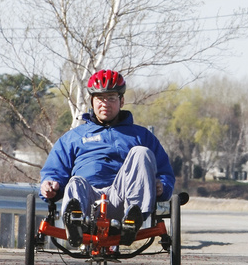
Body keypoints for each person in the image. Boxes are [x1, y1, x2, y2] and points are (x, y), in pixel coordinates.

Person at [39, 69, 175, 247]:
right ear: (92, 101)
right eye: (100, 98)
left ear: (121, 101)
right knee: (75, 182)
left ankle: (132, 221)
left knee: (141, 152)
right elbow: (54, 171)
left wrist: (162, 186)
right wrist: (50, 184)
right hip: (87, 199)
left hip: (122, 198)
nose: (105, 103)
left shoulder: (141, 136)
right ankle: (75, 224)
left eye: (111, 98)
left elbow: (165, 173)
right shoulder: (74, 137)